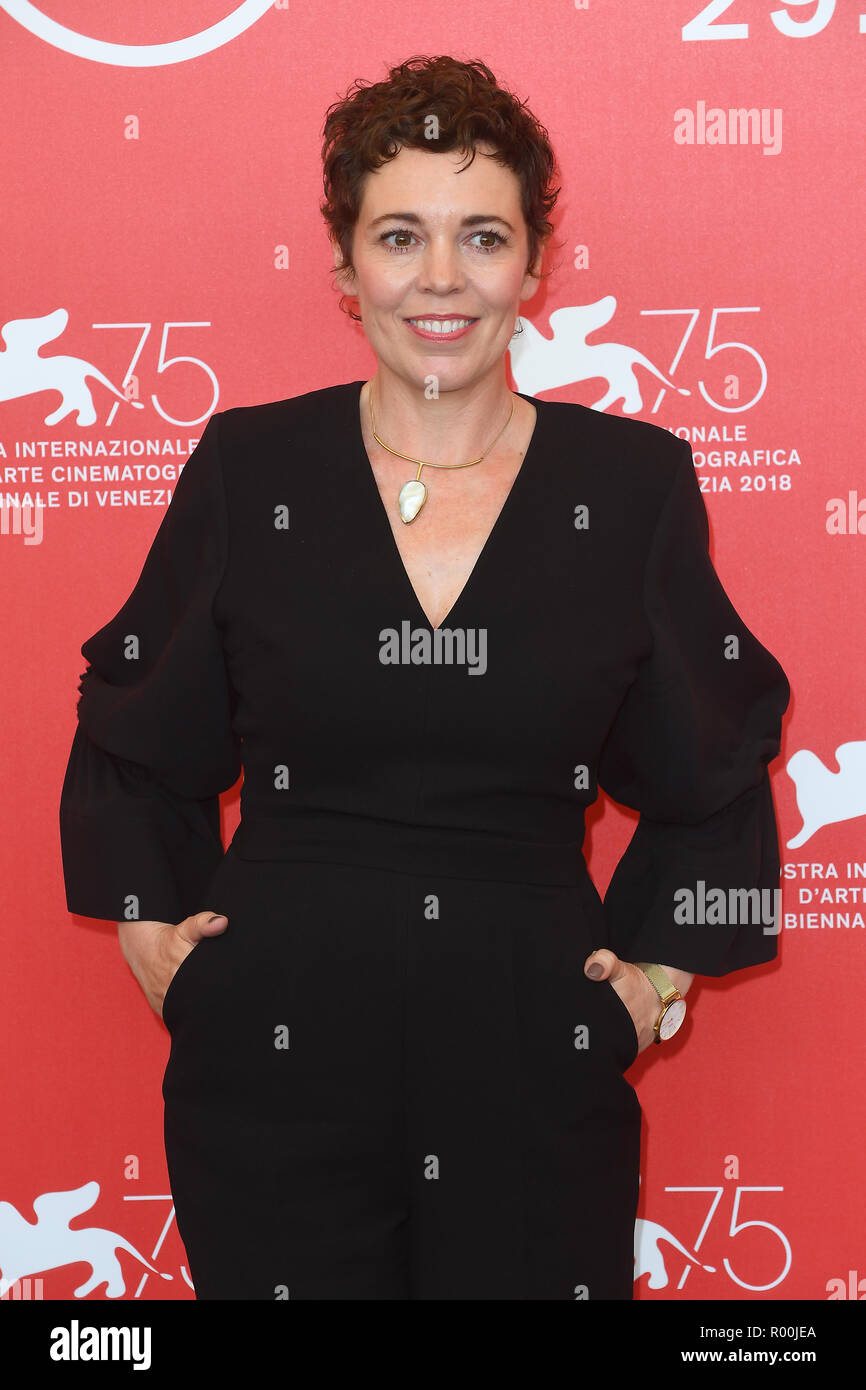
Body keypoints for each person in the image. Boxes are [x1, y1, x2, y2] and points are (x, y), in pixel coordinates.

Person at [59, 55, 790, 1300]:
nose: (440, 278)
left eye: (481, 236)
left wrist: (655, 985)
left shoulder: (630, 488)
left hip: (533, 1053)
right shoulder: (248, 467)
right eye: (399, 236)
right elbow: (136, 723)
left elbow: (711, 764)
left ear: (533, 262)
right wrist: (156, 936)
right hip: (272, 1061)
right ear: (345, 267)